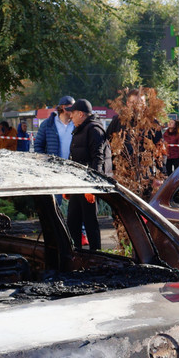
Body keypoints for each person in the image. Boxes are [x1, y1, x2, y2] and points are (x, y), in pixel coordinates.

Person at [67, 99, 107, 251]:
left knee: (90, 222)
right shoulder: (79, 129)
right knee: (72, 221)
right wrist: (68, 185)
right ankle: (75, 254)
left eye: (73, 113)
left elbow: (98, 159)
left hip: (88, 185)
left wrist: (92, 187)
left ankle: (96, 255)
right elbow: (73, 159)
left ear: (81, 114)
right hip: (77, 184)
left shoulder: (94, 129)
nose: (70, 117)